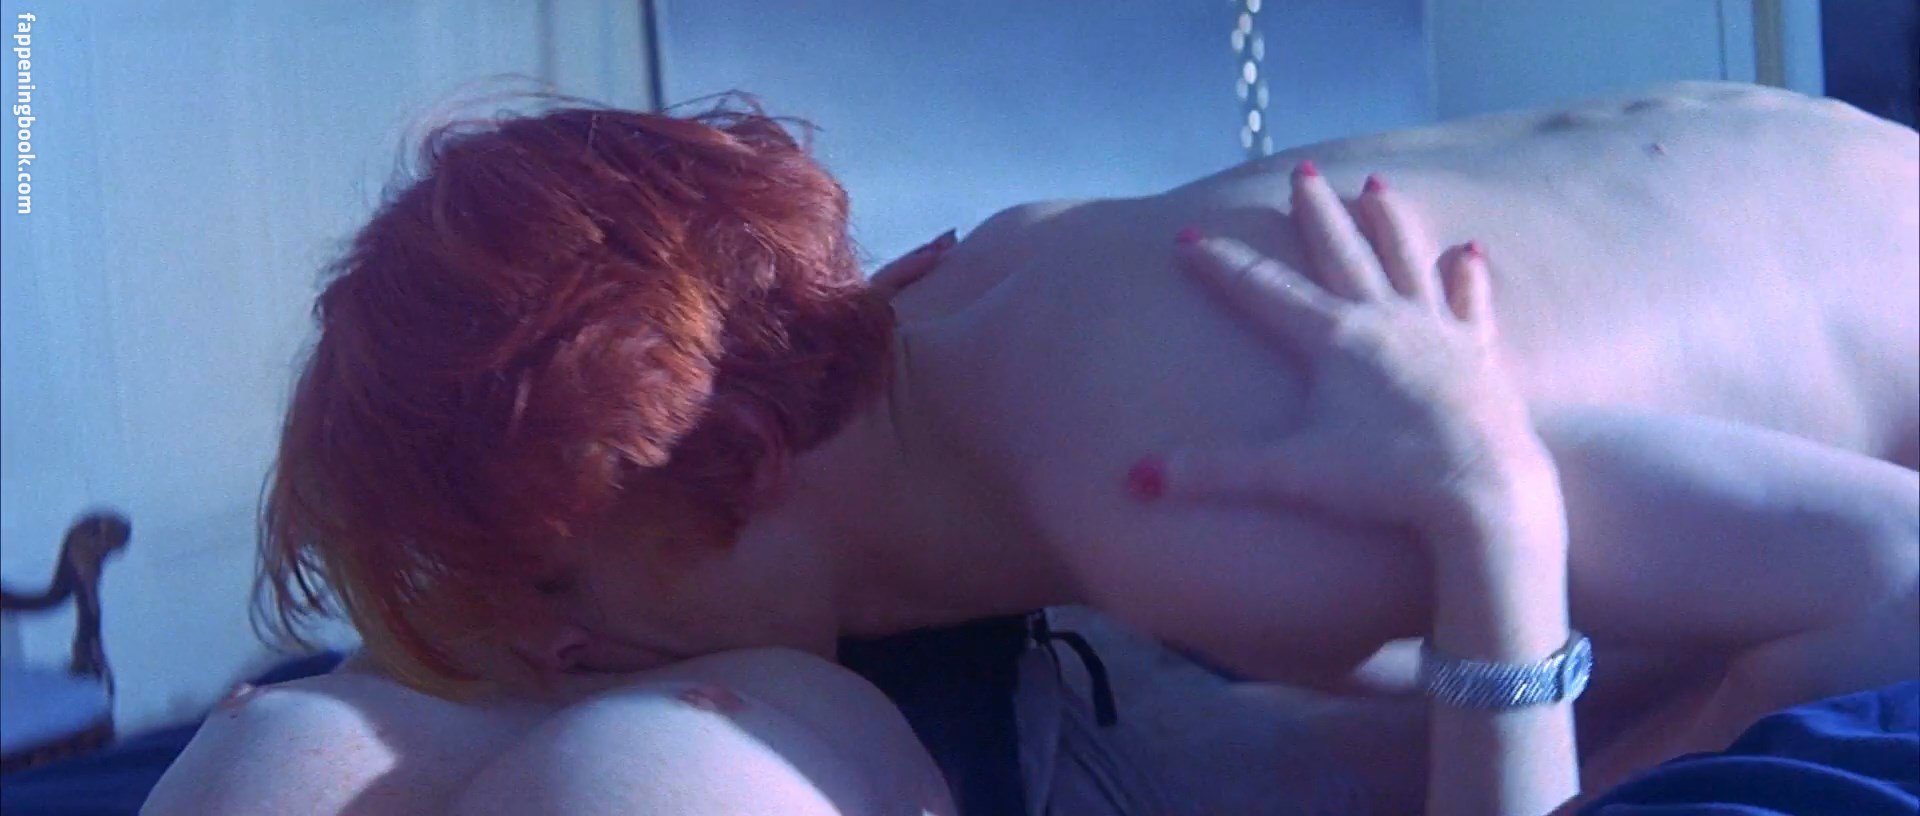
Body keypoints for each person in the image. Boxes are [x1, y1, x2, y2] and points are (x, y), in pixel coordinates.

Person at [150, 81, 1917, 813]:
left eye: (553, 584)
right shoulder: (949, 307)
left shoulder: (1203, 488)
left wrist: (1505, 544)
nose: (556, 650)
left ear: (723, 451)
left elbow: (1895, 576)